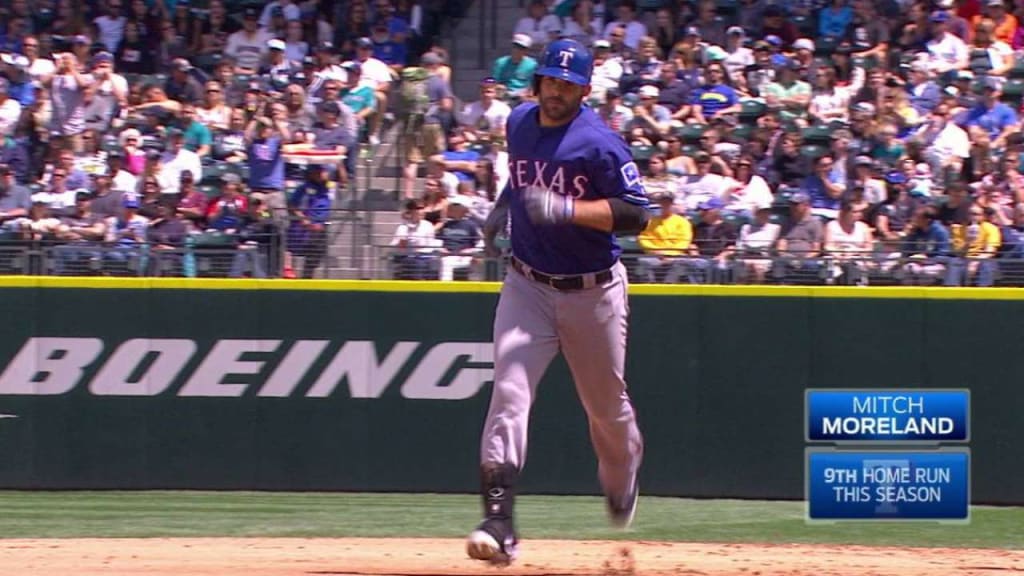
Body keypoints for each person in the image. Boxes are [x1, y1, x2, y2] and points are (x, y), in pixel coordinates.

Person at [469, 39, 649, 566]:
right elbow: (521, 172)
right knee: (508, 391)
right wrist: (504, 207)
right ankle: (498, 524)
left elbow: (637, 214)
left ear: (584, 90)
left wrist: (568, 208)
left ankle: (622, 474)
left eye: (569, 84)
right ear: (538, 82)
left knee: (605, 410)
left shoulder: (599, 144)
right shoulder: (520, 122)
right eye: (551, 80)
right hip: (526, 284)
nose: (557, 91)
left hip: (592, 292)